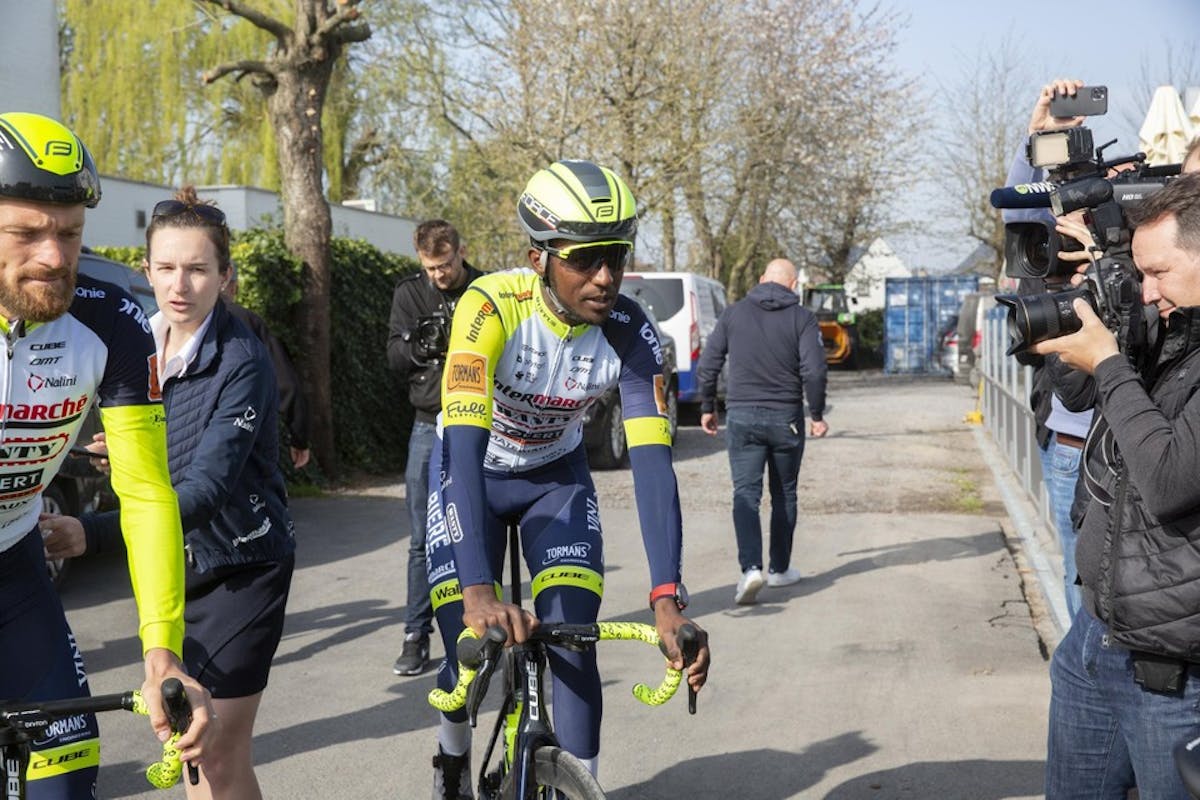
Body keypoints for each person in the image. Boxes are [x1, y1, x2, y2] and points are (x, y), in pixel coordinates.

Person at [426, 159, 711, 798]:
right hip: (473, 475)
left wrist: (667, 598)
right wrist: (479, 590)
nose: (605, 276)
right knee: (465, 658)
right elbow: (464, 450)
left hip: (555, 481)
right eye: (584, 259)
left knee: (575, 650)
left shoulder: (632, 333)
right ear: (539, 258)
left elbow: (653, 466)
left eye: (616, 256)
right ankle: (451, 765)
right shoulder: (488, 307)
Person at [41, 187, 295, 800]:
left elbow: (206, 488)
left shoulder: (244, 360)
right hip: (173, 568)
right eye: (166, 268)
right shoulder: (133, 344)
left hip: (240, 567)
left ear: (225, 277)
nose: (180, 285)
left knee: (214, 753)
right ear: (146, 270)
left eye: (198, 269)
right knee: (190, 752)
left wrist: (93, 533)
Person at [0, 111, 211, 797]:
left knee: (65, 775)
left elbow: (146, 492)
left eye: (69, 233)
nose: (54, 256)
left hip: (13, 567)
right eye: (27, 233)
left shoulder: (111, 322)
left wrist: (162, 654)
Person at [1031, 172, 1200, 798]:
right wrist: (1088, 308)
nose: (1147, 290)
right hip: (1096, 630)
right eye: (1139, 272)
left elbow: (1168, 480)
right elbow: (1075, 394)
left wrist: (1108, 361)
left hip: (1172, 667)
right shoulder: (1171, 324)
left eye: (1158, 272)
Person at [1004, 78, 1101, 621]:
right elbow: (1019, 212)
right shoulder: (1048, 254)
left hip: (1131, 441)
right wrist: (1038, 133)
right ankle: (1081, 663)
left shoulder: (1139, 250)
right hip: (1068, 439)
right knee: (1076, 573)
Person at [696, 258, 829, 605]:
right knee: (785, 493)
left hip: (742, 416)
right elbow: (814, 370)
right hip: (786, 417)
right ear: (794, 285)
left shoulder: (733, 314)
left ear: (760, 279)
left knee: (745, 493)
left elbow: (708, 364)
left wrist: (707, 407)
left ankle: (750, 569)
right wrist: (816, 413)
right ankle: (779, 570)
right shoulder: (802, 318)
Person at [386, 220, 482, 676]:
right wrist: (422, 346)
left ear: (461, 252)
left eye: (444, 265)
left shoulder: (485, 289)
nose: (439, 275)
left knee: (479, 530)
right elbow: (393, 357)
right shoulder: (410, 294)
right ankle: (415, 634)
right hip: (428, 422)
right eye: (430, 268)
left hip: (480, 422)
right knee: (423, 539)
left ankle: (480, 629)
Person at [221, 262, 311, 469]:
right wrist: (299, 437)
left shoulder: (173, 320)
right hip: (240, 434)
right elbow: (286, 384)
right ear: (233, 287)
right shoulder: (248, 321)